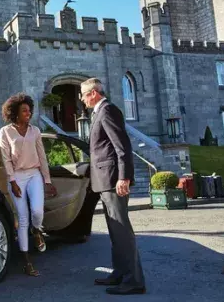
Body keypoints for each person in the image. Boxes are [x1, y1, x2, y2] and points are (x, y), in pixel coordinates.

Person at [79, 78, 146, 295]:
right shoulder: (98, 113)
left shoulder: (108, 110)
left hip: (113, 179)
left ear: (93, 93)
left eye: (83, 94)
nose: (81, 99)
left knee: (122, 231)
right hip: (104, 180)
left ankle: (134, 280)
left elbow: (122, 146)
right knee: (115, 232)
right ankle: (119, 273)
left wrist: (123, 177)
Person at [0, 92, 58, 277]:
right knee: (23, 219)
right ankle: (27, 261)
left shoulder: (35, 131)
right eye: (24, 110)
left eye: (29, 110)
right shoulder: (6, 132)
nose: (28, 113)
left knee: (37, 211)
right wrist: (12, 180)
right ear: (15, 112)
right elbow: (6, 159)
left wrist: (47, 180)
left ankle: (37, 230)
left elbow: (42, 157)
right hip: (16, 176)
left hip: (34, 175)